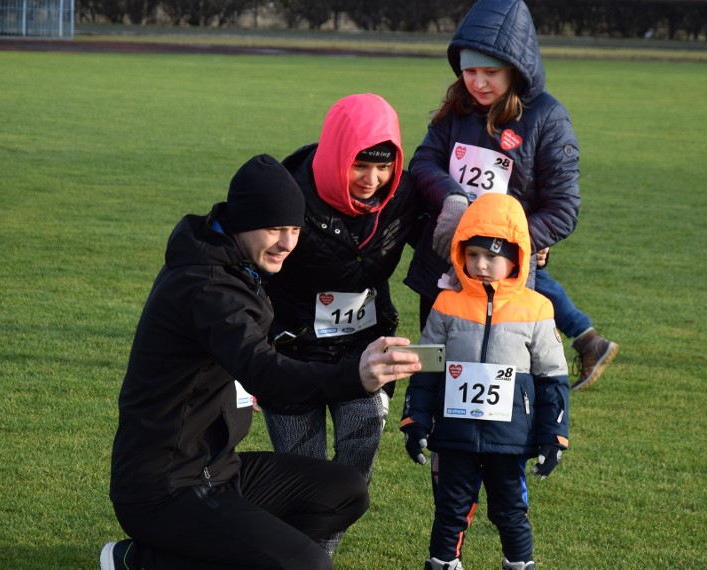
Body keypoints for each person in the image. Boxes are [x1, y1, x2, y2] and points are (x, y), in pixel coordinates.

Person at [100, 154, 422, 570]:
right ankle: (143, 560)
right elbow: (264, 373)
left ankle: (222, 555)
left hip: (218, 469)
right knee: (310, 566)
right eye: (275, 228)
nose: (288, 242)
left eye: (294, 228)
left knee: (346, 489)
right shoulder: (209, 289)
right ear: (242, 223)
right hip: (166, 486)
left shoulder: (234, 264)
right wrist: (354, 375)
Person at [404, 0, 618, 392]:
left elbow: (563, 209)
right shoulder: (456, 108)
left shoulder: (548, 118)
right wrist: (452, 199)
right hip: (442, 273)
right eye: (470, 71)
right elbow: (423, 163)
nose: (478, 83)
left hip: (510, 287)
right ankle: (437, 452)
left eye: (491, 72)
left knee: (503, 394)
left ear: (516, 70)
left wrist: (511, 241)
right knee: (435, 386)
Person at [261, 93, 419, 554]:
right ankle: (302, 558)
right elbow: (244, 274)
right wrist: (240, 366)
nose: (373, 180)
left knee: (352, 475)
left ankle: (315, 556)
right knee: (301, 474)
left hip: (365, 352)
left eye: (384, 166)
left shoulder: (404, 194)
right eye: (359, 166)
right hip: (289, 354)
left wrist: (530, 260)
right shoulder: (288, 194)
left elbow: (459, 248)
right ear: (336, 155)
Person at [400, 192, 570, 570]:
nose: (480, 265)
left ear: (516, 257)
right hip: (456, 435)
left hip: (509, 440)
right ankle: (443, 563)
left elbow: (552, 379)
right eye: (472, 254)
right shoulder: (447, 304)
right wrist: (415, 420)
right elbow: (426, 368)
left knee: (510, 510)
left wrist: (554, 435)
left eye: (492, 257)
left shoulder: (537, 308)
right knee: (450, 508)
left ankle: (519, 563)